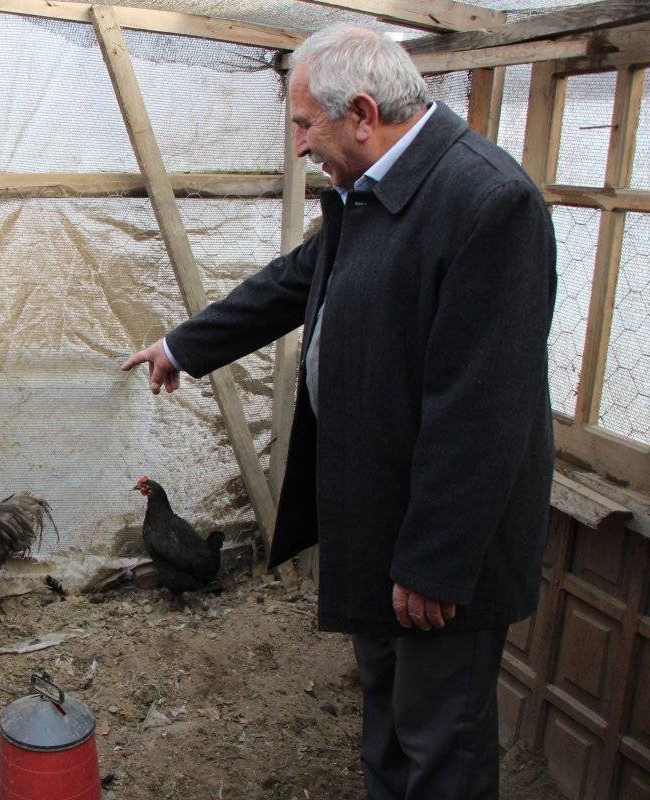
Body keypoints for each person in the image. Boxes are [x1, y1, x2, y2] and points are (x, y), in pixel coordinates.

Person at [122, 25, 556, 800]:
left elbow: (484, 408)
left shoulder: (488, 202)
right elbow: (298, 278)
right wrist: (182, 346)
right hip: (380, 524)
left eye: (301, 126)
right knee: (386, 722)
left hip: (439, 552)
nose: (297, 147)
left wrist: (436, 561)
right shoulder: (377, 191)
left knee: (441, 744)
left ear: (361, 112)